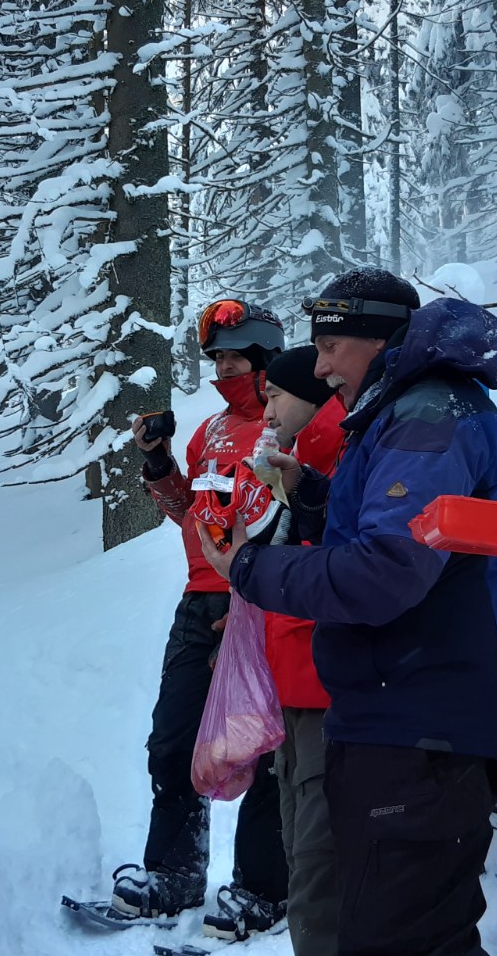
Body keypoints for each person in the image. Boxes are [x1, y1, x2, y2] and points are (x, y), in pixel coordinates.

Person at [202, 269, 497, 956]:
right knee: (385, 931)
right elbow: (414, 533)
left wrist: (250, 568)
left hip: (426, 723)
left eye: (330, 345)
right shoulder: (403, 411)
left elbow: (388, 569)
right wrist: (316, 494)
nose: (319, 366)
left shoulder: (429, 414)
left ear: (380, 339)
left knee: (402, 939)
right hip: (402, 716)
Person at [112, 299, 290, 938]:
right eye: (216, 358)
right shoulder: (208, 430)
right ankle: (175, 873)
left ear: (267, 358)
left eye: (235, 358)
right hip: (199, 598)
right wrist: (159, 461)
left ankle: (265, 887)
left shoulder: (291, 423)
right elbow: (191, 511)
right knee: (175, 740)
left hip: (262, 599)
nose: (223, 368)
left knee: (261, 743)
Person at [251, 346, 346, 956]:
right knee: (300, 854)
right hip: (293, 679)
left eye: (275, 398)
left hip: (326, 687)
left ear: (310, 404)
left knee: (318, 867)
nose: (266, 413)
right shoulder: (292, 463)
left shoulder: (336, 457)